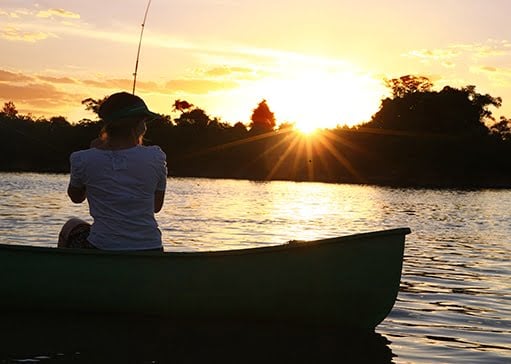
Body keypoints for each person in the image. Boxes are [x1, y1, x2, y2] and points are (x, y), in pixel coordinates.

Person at [59, 91, 167, 251]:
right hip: (150, 249)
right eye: (144, 121)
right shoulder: (157, 157)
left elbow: (76, 197)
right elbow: (155, 207)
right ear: (137, 126)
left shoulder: (81, 159)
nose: (145, 127)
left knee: (71, 225)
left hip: (101, 248)